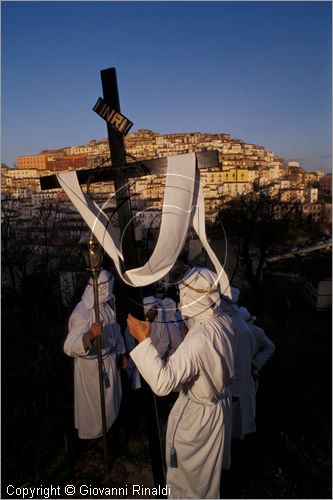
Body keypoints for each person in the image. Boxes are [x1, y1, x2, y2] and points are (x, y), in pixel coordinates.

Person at [127, 267, 235, 499]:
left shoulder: (197, 340)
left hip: (198, 419)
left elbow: (163, 383)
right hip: (216, 410)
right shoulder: (224, 321)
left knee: (190, 481)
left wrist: (144, 340)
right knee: (205, 478)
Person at [64, 269, 127, 439]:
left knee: (110, 405)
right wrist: (89, 336)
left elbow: (116, 330)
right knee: (95, 411)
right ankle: (95, 440)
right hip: (92, 370)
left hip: (109, 362)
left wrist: (122, 353)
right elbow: (68, 346)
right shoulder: (82, 313)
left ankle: (110, 432)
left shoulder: (107, 305)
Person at [221, 290, 257, 441]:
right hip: (229, 389)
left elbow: (241, 367)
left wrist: (234, 394)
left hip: (235, 391)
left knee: (235, 428)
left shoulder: (240, 330)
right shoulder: (230, 324)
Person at [239, 306, 275, 392]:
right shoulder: (256, 331)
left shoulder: (257, 332)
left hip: (248, 370)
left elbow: (270, 347)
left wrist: (255, 364)